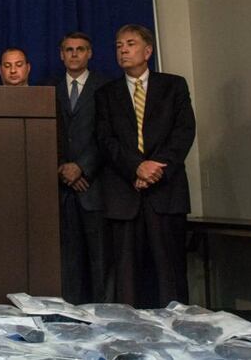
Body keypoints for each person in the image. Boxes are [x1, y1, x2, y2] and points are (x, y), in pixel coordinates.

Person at [95, 24, 196, 308]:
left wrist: (155, 168)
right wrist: (136, 168)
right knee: (127, 278)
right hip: (124, 195)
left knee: (170, 274)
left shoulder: (174, 86)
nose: (123, 50)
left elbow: (184, 131)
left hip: (165, 193)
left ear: (147, 50)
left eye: (130, 44)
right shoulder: (106, 94)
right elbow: (106, 140)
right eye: (118, 45)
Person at [55, 32, 112, 304]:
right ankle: (70, 318)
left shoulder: (107, 87)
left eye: (80, 49)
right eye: (69, 49)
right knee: (68, 263)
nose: (74, 54)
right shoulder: (49, 87)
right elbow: (47, 134)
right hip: (61, 189)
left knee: (100, 261)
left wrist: (83, 168)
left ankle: (101, 317)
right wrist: (63, 168)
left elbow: (109, 135)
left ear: (90, 53)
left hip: (94, 186)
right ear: (61, 55)